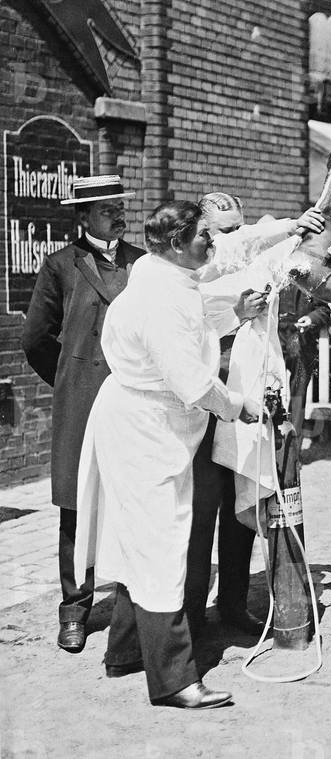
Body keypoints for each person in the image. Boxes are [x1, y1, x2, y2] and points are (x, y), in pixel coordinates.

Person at [74, 200, 263, 708]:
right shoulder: (160, 294)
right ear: (178, 242)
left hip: (150, 421)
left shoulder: (165, 276)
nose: (212, 242)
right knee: (160, 544)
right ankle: (175, 679)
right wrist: (236, 406)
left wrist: (236, 312)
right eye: (205, 234)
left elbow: (196, 323)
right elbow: (190, 378)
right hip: (143, 427)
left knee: (143, 536)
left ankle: (126, 652)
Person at [184, 192, 326, 636]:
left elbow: (268, 243)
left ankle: (232, 602)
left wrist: (296, 227)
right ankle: (189, 611)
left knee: (242, 502)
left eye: (239, 227)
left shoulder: (254, 260)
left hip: (245, 401)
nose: (235, 237)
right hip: (203, 406)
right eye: (224, 230)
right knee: (200, 512)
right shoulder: (192, 274)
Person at [21, 175, 145, 653]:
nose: (118, 214)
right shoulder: (60, 266)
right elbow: (34, 338)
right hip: (83, 401)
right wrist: (71, 380)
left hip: (135, 399)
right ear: (84, 216)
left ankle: (136, 603)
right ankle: (75, 609)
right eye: (108, 208)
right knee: (77, 505)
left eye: (119, 206)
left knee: (134, 497)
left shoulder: (142, 262)